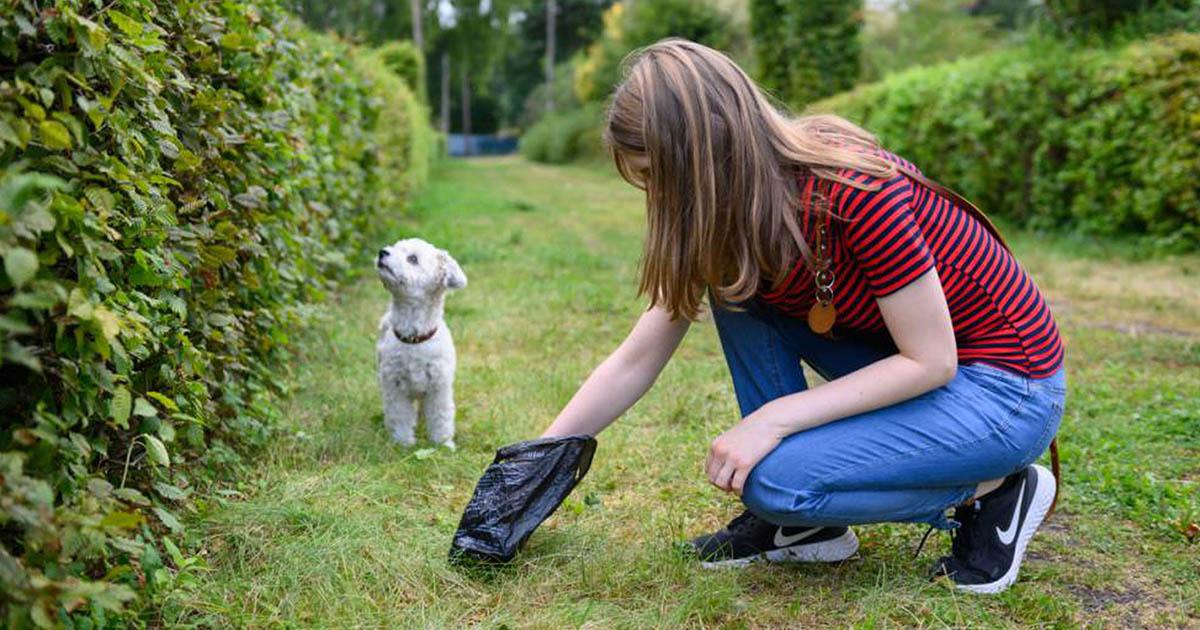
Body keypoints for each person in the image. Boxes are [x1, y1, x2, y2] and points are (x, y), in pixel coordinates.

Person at [540, 39, 1065, 594]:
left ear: (706, 157)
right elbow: (638, 355)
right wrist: (540, 457)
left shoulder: (855, 190)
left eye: (658, 178)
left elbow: (931, 362)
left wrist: (774, 420)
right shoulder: (734, 214)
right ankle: (807, 527)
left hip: (1004, 390)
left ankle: (996, 491)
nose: (656, 198)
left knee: (773, 482)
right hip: (917, 363)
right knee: (734, 283)